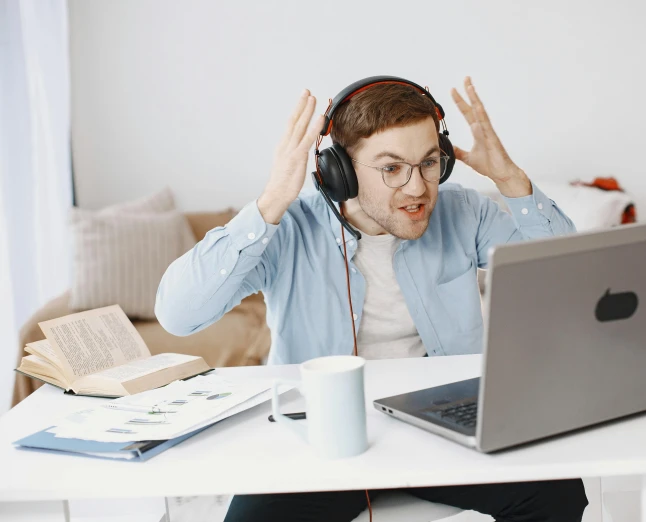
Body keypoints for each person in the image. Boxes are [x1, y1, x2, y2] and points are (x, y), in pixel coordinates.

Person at [155, 76, 587, 522]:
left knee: (559, 494)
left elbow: (570, 282)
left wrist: (511, 179)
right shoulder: (288, 231)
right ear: (338, 170)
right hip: (323, 441)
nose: (418, 187)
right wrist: (270, 204)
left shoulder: (464, 211)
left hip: (443, 428)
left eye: (429, 162)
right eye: (392, 168)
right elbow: (178, 314)